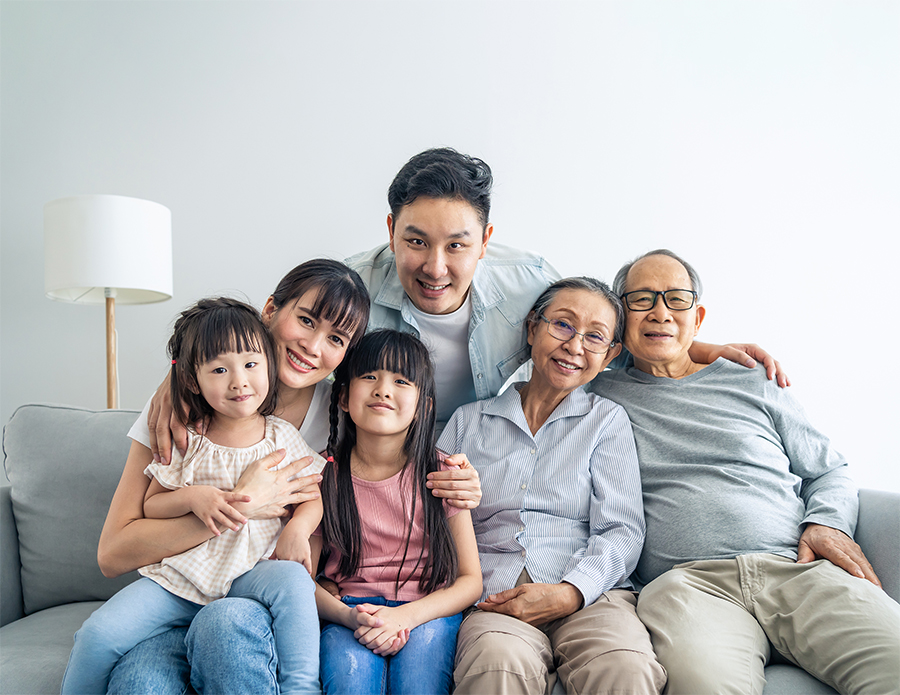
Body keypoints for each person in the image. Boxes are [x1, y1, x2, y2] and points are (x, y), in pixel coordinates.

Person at [100, 260, 481, 694]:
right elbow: (113, 554)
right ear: (269, 311)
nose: (313, 347)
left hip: (261, 605)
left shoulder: (340, 416)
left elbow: (396, 456)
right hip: (176, 595)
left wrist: (463, 480)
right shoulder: (188, 405)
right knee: (139, 685)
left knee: (227, 624)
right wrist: (239, 504)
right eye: (305, 320)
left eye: (336, 339)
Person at [591, 249, 900, 695]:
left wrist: (826, 524)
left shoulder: (751, 379)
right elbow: (551, 341)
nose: (660, 311)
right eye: (641, 299)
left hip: (796, 568)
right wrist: (687, 346)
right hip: (689, 585)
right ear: (620, 316)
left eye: (675, 300)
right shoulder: (598, 394)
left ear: (697, 316)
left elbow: (829, 469)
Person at [348, 148, 790, 431]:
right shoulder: (352, 288)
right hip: (373, 449)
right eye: (416, 241)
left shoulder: (529, 282)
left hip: (471, 450)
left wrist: (698, 350)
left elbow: (595, 337)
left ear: (485, 241)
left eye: (457, 245)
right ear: (391, 231)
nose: (435, 267)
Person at [63, 297, 326, 695]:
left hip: (249, 574)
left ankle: (302, 687)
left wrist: (299, 529)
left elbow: (310, 495)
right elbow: (152, 503)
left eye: (251, 365)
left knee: (294, 582)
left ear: (269, 366)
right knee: (96, 635)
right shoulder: (188, 435)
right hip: (182, 580)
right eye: (220, 369)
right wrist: (193, 499)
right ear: (191, 380)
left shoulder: (282, 437)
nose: (239, 381)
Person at [439, 278, 666, 695]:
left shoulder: (606, 421)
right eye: (562, 325)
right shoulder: (467, 421)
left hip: (592, 595)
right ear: (532, 329)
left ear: (611, 354)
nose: (575, 345)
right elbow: (427, 516)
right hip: (494, 598)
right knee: (496, 667)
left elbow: (623, 530)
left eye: (595, 336)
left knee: (625, 669)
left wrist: (570, 592)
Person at [313, 330, 482, 695]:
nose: (383, 390)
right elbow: (301, 580)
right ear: (342, 396)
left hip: (425, 613)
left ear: (424, 406)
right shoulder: (322, 478)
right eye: (369, 376)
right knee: (349, 679)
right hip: (349, 614)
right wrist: (348, 615)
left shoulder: (444, 475)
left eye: (401, 380)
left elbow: (471, 581)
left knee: (418, 685)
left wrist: (406, 616)